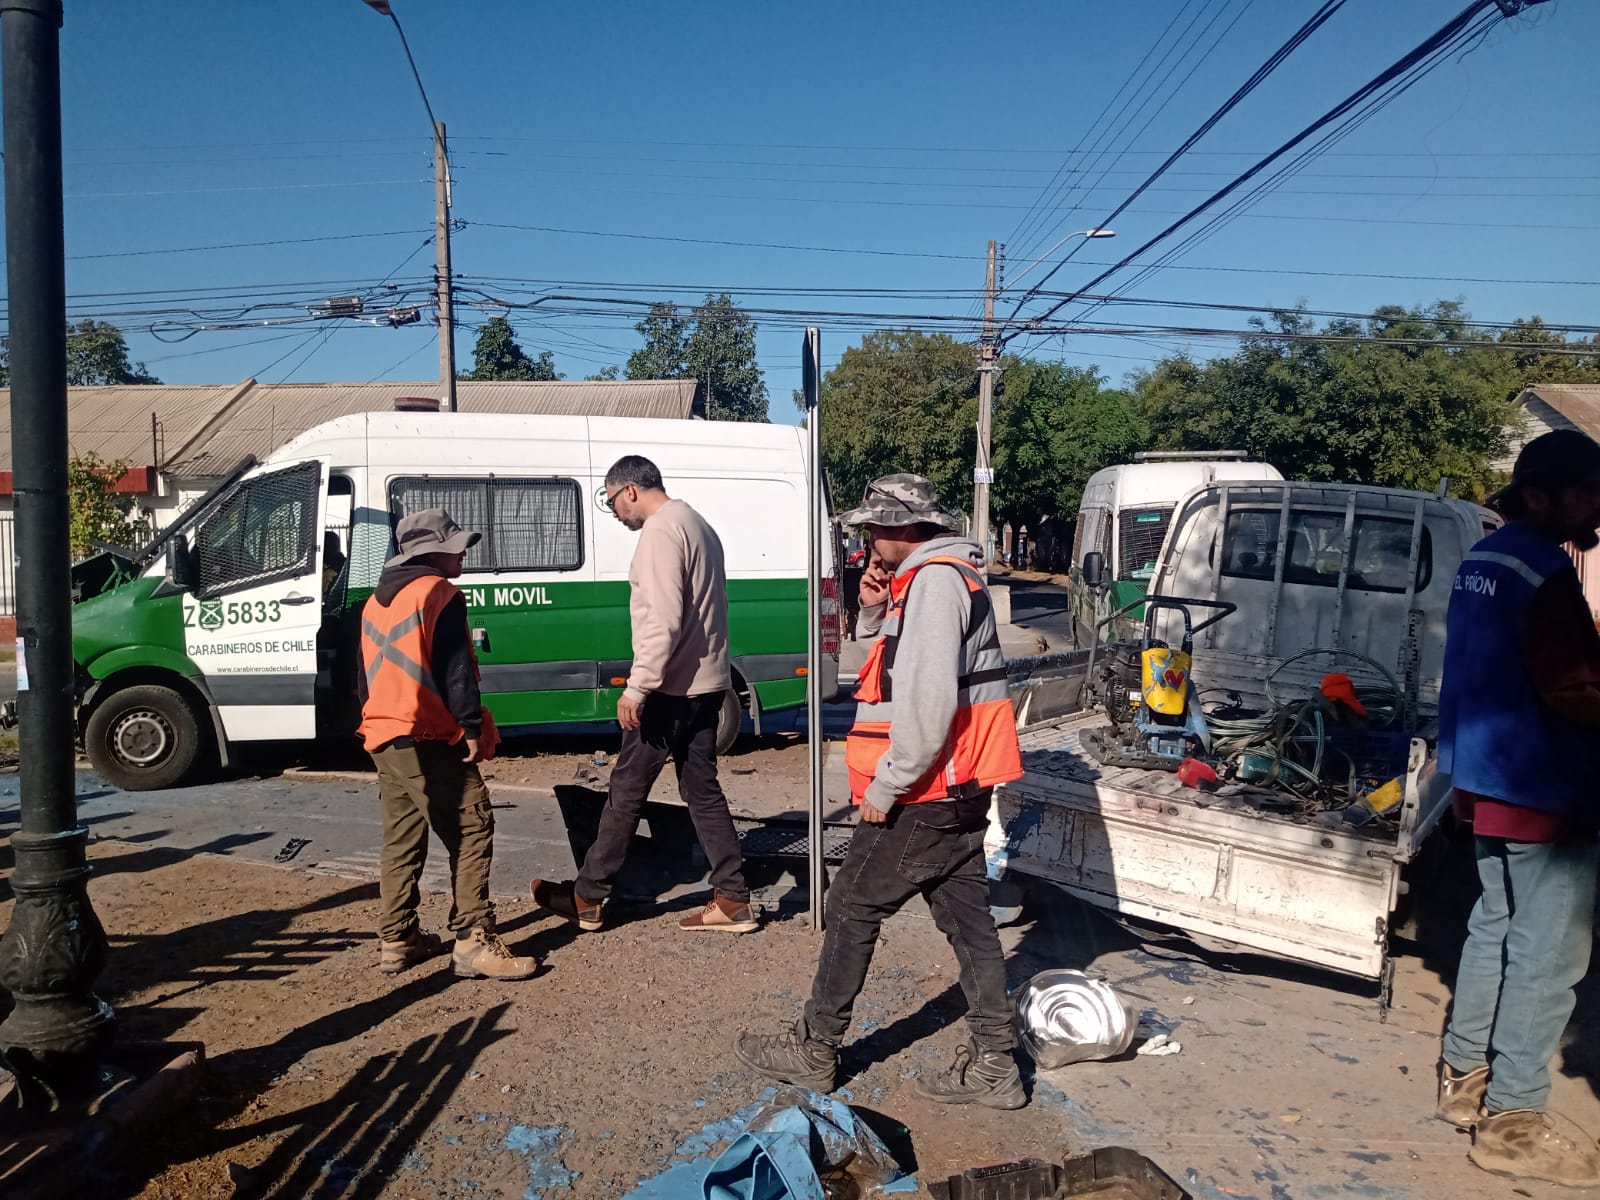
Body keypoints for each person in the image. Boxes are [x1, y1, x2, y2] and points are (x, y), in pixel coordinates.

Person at [733, 474, 1027, 1108]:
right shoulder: (934, 578)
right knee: (969, 924)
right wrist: (871, 603)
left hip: (926, 787)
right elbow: (886, 666)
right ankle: (996, 1064)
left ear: (903, 528)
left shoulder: (934, 582)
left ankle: (815, 1050)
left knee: (849, 907)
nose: (867, 536)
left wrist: (889, 785)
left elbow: (924, 701)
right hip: (958, 784)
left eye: (873, 526)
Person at [1435, 429, 1600, 1187]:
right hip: (1542, 785)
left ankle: (1464, 1081)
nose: (1594, 509)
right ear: (1539, 496)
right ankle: (1513, 1125)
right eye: (1585, 493)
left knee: (1492, 927)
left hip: (1481, 777)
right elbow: (1573, 690)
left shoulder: (1482, 560)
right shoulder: (1546, 573)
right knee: (1549, 957)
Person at [531, 456, 756, 934]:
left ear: (630, 490)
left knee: (626, 791)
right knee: (701, 790)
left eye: (613, 502)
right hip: (707, 682)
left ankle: (587, 897)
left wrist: (639, 686)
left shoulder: (660, 532)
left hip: (670, 689)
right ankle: (733, 896)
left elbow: (662, 618)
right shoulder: (697, 523)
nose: (615, 513)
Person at [359, 508, 538, 981]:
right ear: (430, 552)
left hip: (384, 734)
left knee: (402, 836)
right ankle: (473, 940)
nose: (464, 552)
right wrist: (472, 728)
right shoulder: (439, 593)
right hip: (429, 734)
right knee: (471, 826)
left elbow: (363, 681)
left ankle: (397, 938)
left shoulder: (375, 602)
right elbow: (456, 670)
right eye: (457, 545)